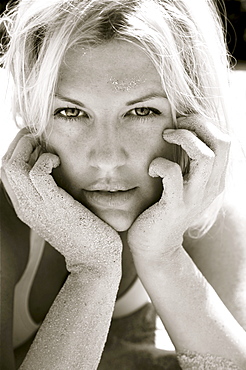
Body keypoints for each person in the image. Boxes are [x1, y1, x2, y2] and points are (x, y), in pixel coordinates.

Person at [0, 0, 246, 369]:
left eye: (141, 111)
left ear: (193, 118)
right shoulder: (5, 224)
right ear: (34, 119)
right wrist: (91, 268)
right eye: (71, 112)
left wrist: (163, 257)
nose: (107, 157)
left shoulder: (199, 214)